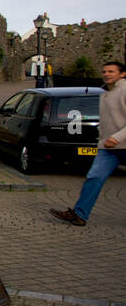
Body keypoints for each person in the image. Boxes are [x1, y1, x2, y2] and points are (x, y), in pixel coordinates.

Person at [50, 61, 126, 226]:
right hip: (108, 148)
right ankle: (79, 214)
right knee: (94, 178)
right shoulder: (105, 93)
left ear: (122, 74)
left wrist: (117, 137)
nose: (106, 74)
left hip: (120, 143)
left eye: (111, 71)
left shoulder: (124, 90)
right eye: (104, 71)